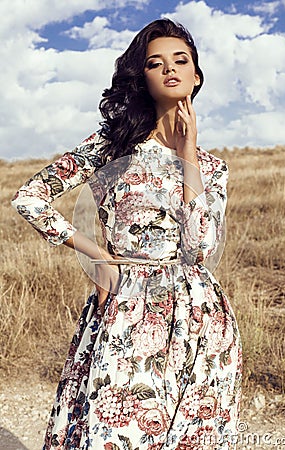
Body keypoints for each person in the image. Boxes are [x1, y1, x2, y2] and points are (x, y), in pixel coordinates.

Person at [12, 18, 242, 450]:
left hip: (201, 316)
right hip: (127, 309)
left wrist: (188, 150)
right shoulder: (112, 145)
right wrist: (95, 252)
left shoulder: (212, 168)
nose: (170, 69)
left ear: (196, 75)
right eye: (156, 63)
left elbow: (200, 248)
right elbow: (30, 199)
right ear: (143, 78)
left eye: (181, 60)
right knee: (117, 433)